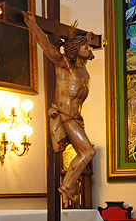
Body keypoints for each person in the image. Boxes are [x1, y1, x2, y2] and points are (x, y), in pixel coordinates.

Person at [23, 11, 96, 204]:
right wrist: (33, 26)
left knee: (85, 152)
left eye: (89, 46)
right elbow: (47, 47)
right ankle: (67, 186)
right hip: (65, 117)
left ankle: (68, 186)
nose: (89, 49)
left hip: (77, 119)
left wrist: (87, 39)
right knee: (88, 152)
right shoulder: (64, 65)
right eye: (85, 47)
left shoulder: (84, 71)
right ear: (75, 49)